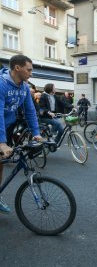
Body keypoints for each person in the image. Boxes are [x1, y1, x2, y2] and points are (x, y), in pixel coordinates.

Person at [0, 55, 42, 214]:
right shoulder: (2, 84)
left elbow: (30, 111)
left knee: (1, 162)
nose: (31, 73)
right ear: (17, 68)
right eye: (29, 69)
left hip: (7, 125)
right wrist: (2, 142)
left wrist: (36, 133)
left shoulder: (24, 87)